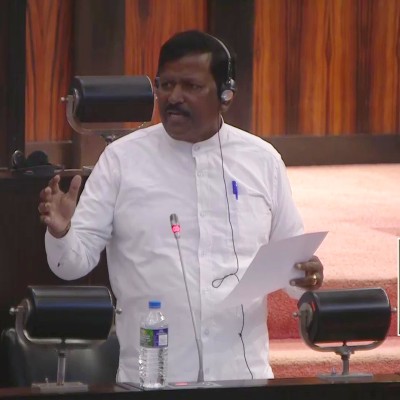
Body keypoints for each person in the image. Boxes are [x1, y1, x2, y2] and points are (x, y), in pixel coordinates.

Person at [38, 30, 324, 383]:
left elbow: (292, 268)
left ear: (225, 95)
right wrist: (62, 232)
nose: (174, 97)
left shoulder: (262, 161)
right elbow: (70, 265)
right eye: (166, 85)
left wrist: (306, 274)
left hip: (242, 375)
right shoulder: (122, 161)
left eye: (191, 86)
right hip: (151, 376)